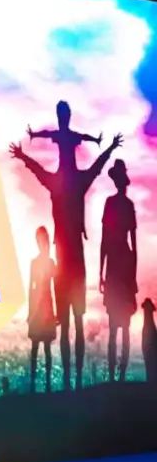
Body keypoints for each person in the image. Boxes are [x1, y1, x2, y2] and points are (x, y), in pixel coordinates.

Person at [9, 131, 122, 390]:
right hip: (69, 264)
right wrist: (110, 148)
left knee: (73, 323)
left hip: (69, 264)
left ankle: (75, 380)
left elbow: (41, 170)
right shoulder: (70, 181)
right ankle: (75, 381)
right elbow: (93, 166)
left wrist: (23, 155)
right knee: (72, 323)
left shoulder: (62, 182)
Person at [100, 159, 138, 382]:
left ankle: (117, 376)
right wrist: (102, 271)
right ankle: (118, 375)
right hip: (119, 266)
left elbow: (107, 241)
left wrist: (102, 271)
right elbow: (132, 245)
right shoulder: (121, 204)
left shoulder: (114, 204)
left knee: (118, 326)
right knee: (120, 326)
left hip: (118, 266)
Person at [28, 226, 57, 393]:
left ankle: (47, 384)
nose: (42, 244)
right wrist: (30, 311)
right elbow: (31, 287)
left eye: (44, 240)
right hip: (39, 307)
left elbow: (55, 286)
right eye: (40, 241)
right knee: (36, 346)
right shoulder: (36, 263)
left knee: (45, 347)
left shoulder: (49, 263)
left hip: (46, 306)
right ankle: (35, 384)